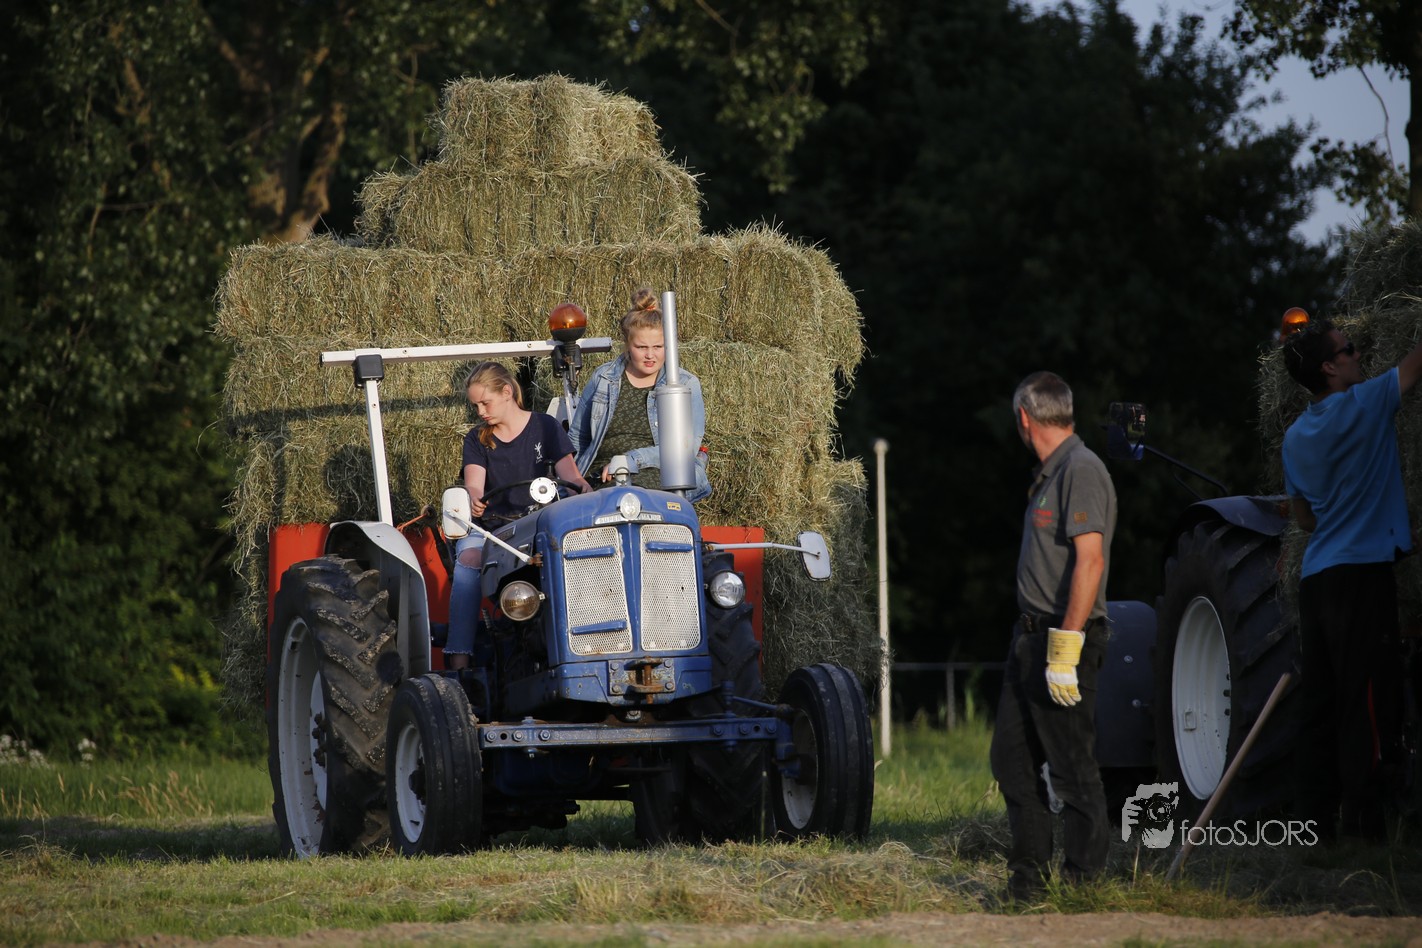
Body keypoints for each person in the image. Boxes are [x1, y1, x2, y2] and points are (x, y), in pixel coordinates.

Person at [1281, 318, 1422, 841]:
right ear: (1329, 367)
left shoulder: (1295, 437)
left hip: (1318, 580)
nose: (1359, 354)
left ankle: (1313, 822)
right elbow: (1416, 365)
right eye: (1350, 349)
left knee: (1320, 700)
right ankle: (1364, 822)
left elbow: (1304, 520)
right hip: (1363, 576)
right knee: (1367, 698)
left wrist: (1342, 512)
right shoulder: (1366, 404)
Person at [989, 370, 1116, 901]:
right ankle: (1029, 883)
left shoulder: (1080, 469)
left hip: (1063, 642)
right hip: (1030, 639)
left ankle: (1084, 884)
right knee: (1011, 761)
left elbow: (1091, 561)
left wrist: (1066, 647)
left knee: (1071, 766)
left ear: (1024, 417)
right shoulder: (1051, 473)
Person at [445, 361, 591, 671]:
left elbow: (570, 476)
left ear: (507, 392)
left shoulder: (545, 427)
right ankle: (459, 659)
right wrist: (473, 498)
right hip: (492, 529)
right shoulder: (477, 438)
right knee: (468, 560)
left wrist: (583, 489)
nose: (480, 411)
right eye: (475, 405)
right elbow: (474, 485)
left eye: (485, 402)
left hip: (538, 523)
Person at [568, 287, 712, 501]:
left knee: (635, 497)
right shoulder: (603, 378)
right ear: (628, 345)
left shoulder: (685, 384)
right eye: (641, 347)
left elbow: (686, 448)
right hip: (603, 474)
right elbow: (578, 437)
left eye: (658, 346)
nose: (650, 355)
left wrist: (632, 460)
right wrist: (573, 481)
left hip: (661, 474)